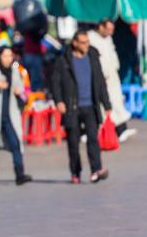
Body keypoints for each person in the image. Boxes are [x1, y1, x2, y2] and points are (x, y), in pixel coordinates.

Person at [52, 30, 112, 184]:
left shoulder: (93, 56)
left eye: (87, 42)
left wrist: (106, 103)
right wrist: (58, 101)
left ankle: (96, 170)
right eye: (83, 42)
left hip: (90, 105)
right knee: (73, 142)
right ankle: (75, 172)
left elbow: (99, 82)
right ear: (75, 43)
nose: (86, 45)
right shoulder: (64, 60)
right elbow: (55, 83)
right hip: (72, 107)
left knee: (93, 138)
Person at [0, 46, 32, 186]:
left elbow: (21, 90)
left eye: (10, 56)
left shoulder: (14, 72)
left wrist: (18, 91)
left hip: (9, 116)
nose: (8, 59)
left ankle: (20, 174)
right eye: (5, 56)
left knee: (16, 144)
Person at [88, 19, 136, 142]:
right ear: (100, 26)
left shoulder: (107, 39)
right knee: (104, 106)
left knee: (116, 102)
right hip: (101, 78)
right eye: (108, 29)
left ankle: (121, 129)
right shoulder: (91, 38)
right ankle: (107, 132)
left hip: (112, 77)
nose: (110, 32)